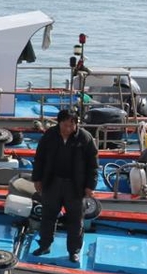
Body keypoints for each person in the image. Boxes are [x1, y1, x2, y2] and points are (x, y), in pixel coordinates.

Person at [30, 108, 98, 263]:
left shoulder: (85, 138)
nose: (68, 129)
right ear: (59, 122)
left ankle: (74, 250)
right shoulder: (49, 136)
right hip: (52, 182)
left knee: (75, 220)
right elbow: (39, 159)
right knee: (48, 216)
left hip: (75, 186)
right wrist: (37, 179)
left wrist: (90, 186)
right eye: (65, 125)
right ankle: (45, 245)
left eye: (71, 125)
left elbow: (93, 165)